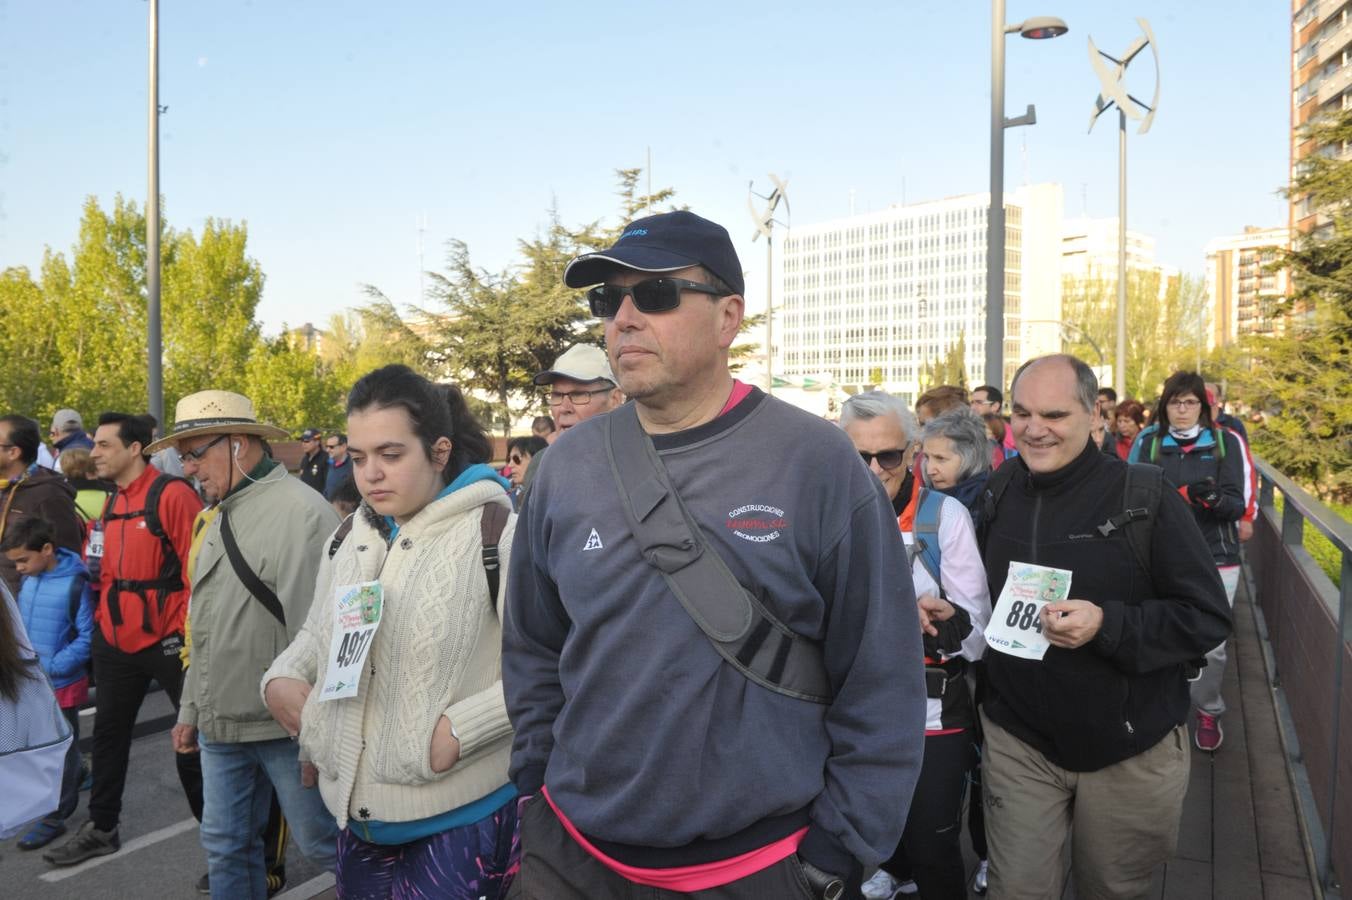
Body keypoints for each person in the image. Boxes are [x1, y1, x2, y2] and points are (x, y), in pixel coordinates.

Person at [503, 210, 925, 898]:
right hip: (572, 857)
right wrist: (535, 790)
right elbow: (532, 648)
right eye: (608, 300)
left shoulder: (816, 462)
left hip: (759, 867)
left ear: (728, 317)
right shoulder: (564, 467)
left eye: (658, 294)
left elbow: (882, 676)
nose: (625, 318)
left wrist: (836, 853)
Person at [979, 355, 1231, 899]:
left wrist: (1107, 625)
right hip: (1020, 739)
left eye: (1054, 414)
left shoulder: (1145, 496)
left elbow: (1208, 616)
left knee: (1112, 891)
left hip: (1130, 748)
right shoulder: (1000, 489)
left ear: (1094, 414)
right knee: (1014, 890)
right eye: (1021, 412)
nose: (1034, 428)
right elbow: (983, 597)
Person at [264, 366, 520, 900]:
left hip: (462, 824)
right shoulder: (349, 534)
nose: (371, 474)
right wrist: (282, 677)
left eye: (391, 454)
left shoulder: (497, 533)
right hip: (356, 825)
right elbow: (319, 633)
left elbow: (552, 661)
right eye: (358, 458)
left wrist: (460, 730)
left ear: (440, 450)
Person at [141, 391, 339, 900]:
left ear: (240, 444)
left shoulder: (302, 513)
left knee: (326, 845)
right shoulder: (218, 512)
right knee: (225, 845)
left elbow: (316, 635)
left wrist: (316, 734)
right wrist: (190, 710)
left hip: (284, 728)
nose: (189, 469)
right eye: (183, 456)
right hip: (219, 725)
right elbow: (201, 626)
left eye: (196, 452)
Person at [842, 394, 990, 900]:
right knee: (873, 828)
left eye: (887, 455)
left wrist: (942, 621)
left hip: (932, 709)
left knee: (933, 843)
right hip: (858, 710)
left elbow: (976, 635)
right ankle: (894, 868)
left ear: (911, 453)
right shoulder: (829, 513)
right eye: (859, 457)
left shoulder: (944, 516)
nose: (874, 469)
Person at [45, 413, 206, 872]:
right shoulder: (112, 502)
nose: (93, 452)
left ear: (135, 448)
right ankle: (101, 828)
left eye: (103, 445)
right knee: (109, 739)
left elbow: (199, 572)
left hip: (168, 642)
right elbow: (105, 572)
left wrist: (179, 631)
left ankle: (224, 842)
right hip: (115, 643)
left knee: (191, 740)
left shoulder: (172, 495)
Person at [1128, 371, 1247, 752]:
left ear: (1204, 406)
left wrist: (1209, 498)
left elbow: (1237, 504)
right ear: (1164, 406)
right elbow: (1130, 496)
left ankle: (1209, 709)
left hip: (1217, 553)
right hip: (1160, 552)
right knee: (1159, 629)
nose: (1182, 410)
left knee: (1211, 643)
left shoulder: (1226, 443)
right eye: (1175, 402)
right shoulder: (1148, 441)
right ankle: (1161, 709)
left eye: (1190, 402)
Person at [2, 516, 93, 850]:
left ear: (47, 549)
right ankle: (76, 778)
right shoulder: (33, 579)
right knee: (50, 742)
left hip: (63, 681)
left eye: (23, 560)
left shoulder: (75, 583)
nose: (20, 568)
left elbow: (86, 636)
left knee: (63, 748)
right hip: (37, 682)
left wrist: (53, 666)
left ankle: (56, 814)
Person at [0, 416, 85, 601]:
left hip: (26, 610)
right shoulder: (3, 488)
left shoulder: (48, 494)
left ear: (13, 452)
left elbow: (68, 561)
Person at [922, 408, 993, 519]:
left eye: (940, 458)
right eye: (927, 457)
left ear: (971, 457)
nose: (929, 470)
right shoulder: (924, 499)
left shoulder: (990, 505)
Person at [297, 429, 328, 494]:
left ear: (317, 442)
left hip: (321, 501)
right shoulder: (304, 459)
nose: (303, 444)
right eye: (302, 441)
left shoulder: (326, 459)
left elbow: (329, 485)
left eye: (307, 441)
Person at [324, 433, 350, 499]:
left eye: (331, 447)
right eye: (326, 446)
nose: (327, 450)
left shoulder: (353, 467)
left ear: (344, 447)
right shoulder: (330, 464)